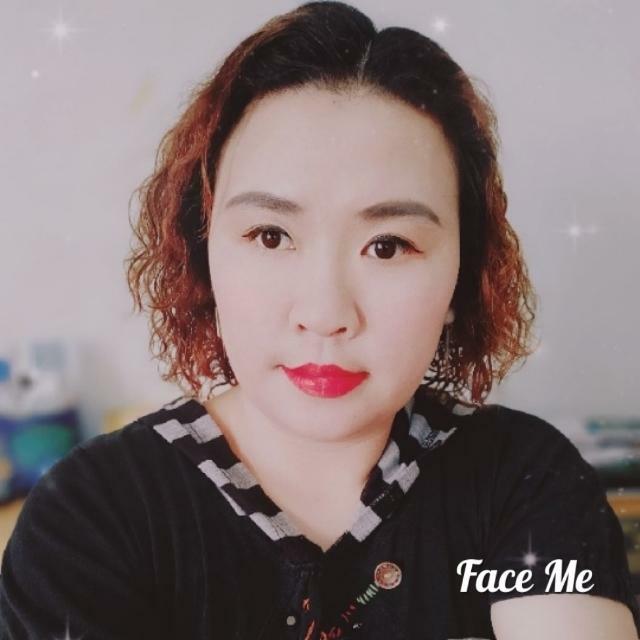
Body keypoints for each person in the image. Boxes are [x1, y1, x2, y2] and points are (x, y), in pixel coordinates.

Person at [1, 2, 638, 639]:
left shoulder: (525, 478)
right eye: (271, 236)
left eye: (387, 246)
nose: (325, 314)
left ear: (462, 277)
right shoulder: (90, 516)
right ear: (202, 251)